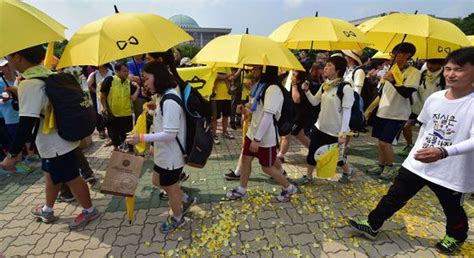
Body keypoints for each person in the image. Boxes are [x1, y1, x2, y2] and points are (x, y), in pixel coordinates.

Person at [348, 47, 474, 255]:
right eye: (448, 69)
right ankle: (372, 224)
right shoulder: (436, 98)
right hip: (418, 162)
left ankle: (455, 236)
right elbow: (425, 128)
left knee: (452, 207)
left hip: (451, 169)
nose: (451, 74)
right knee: (395, 195)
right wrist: (415, 154)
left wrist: (443, 152)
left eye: (458, 70)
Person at [2, 45, 99, 229]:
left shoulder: (29, 84)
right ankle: (47, 209)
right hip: (61, 139)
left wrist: (12, 155)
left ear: (18, 57)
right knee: (50, 176)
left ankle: (89, 210)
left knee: (72, 178)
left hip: (54, 144)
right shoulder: (48, 75)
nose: (9, 60)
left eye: (9, 56)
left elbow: (26, 124)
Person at [126, 61, 196, 233]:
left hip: (172, 156)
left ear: (158, 77)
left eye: (147, 78)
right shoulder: (163, 95)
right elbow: (164, 118)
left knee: (171, 189)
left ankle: (178, 218)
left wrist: (141, 137)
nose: (145, 82)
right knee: (156, 180)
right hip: (163, 153)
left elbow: (170, 134)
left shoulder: (169, 100)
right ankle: (185, 199)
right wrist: (153, 111)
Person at [225, 66, 298, 201]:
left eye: (256, 68)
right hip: (252, 132)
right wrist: (245, 108)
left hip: (265, 137)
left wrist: (257, 139)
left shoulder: (273, 89)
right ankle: (242, 190)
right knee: (246, 160)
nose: (253, 70)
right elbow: (257, 107)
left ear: (265, 70)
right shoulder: (261, 85)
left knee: (267, 167)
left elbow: (268, 116)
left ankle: (288, 188)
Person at [296, 55, 355, 184]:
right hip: (320, 126)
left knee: (337, 158)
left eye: (329, 65)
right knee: (312, 153)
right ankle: (308, 177)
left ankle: (347, 171)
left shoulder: (345, 88)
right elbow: (314, 102)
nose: (325, 68)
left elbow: (347, 112)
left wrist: (343, 133)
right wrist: (306, 91)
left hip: (335, 130)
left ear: (338, 70)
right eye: (326, 65)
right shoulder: (325, 85)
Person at [367, 43, 421, 180]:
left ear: (407, 54)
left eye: (397, 53)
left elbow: (407, 92)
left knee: (386, 142)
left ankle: (391, 167)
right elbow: (381, 93)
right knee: (380, 142)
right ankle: (381, 165)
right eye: (393, 53)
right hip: (383, 111)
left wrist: (393, 80)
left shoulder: (413, 72)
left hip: (398, 114)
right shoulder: (391, 69)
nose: (393, 56)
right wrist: (369, 110)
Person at [398, 58, 445, 156]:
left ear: (440, 64)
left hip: (435, 110)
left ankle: (424, 149)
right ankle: (409, 145)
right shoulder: (422, 74)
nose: (429, 66)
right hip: (418, 107)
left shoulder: (444, 76)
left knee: (429, 131)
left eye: (433, 63)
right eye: (428, 63)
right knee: (406, 126)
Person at [100, 62, 140, 151]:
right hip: (113, 114)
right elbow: (103, 95)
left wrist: (138, 88)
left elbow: (133, 98)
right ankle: (116, 149)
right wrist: (105, 108)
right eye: (124, 71)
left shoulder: (128, 83)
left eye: (127, 71)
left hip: (126, 114)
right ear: (117, 71)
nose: (126, 73)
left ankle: (130, 150)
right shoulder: (109, 80)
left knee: (128, 133)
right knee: (114, 133)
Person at [277, 70, 311, 163]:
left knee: (286, 135)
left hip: (299, 116)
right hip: (291, 114)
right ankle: (314, 150)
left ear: (299, 79)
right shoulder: (289, 81)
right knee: (300, 136)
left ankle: (280, 156)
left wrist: (294, 85)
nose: (292, 75)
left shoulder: (302, 85)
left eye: (295, 74)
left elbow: (296, 99)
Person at [87, 64, 113, 139]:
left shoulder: (111, 73)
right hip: (99, 99)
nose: (100, 66)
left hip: (111, 98)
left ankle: (111, 132)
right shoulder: (94, 74)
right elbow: (87, 85)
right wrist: (96, 91)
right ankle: (101, 130)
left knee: (110, 114)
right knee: (99, 115)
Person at [211, 69, 234, 145]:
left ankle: (224, 132)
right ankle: (214, 135)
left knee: (226, 116)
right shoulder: (214, 65)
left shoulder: (226, 65)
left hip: (227, 96)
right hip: (216, 96)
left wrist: (223, 77)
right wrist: (226, 77)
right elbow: (215, 76)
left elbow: (231, 77)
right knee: (214, 117)